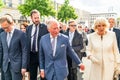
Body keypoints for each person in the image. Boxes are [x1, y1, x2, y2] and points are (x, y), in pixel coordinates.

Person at [0, 15, 28, 80]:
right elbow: (1, 51)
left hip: (17, 66)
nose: (5, 29)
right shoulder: (2, 35)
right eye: (3, 28)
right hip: (5, 66)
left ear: (12, 23)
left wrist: (24, 67)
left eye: (6, 27)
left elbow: (24, 51)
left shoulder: (21, 34)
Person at [26, 9, 48, 80]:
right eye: (35, 18)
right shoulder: (28, 28)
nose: (37, 19)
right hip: (31, 56)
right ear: (31, 18)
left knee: (43, 76)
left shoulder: (45, 27)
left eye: (38, 17)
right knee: (32, 76)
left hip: (42, 55)